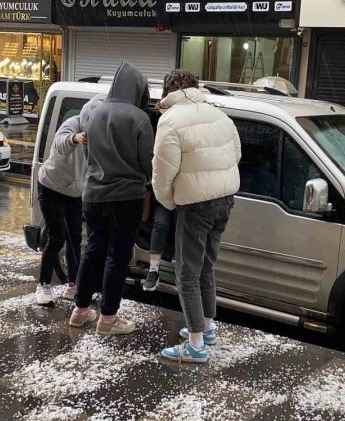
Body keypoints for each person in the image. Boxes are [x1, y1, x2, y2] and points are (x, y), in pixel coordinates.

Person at [152, 70, 241, 363]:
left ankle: (195, 344)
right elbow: (236, 154)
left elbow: (162, 171)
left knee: (186, 272)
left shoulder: (170, 121)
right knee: (206, 267)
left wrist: (169, 201)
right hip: (225, 200)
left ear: (168, 92)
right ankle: (208, 327)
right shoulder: (219, 115)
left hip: (194, 204)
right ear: (195, 87)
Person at [68, 62, 153, 335]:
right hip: (125, 197)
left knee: (93, 250)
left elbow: (89, 156)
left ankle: (80, 311)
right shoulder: (138, 118)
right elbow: (148, 162)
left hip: (93, 195)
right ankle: (108, 318)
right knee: (117, 257)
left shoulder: (95, 113)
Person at [34, 111, 89, 306]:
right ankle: (43, 285)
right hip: (51, 187)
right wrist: (76, 138)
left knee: (75, 238)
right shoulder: (73, 123)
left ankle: (73, 285)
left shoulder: (101, 132)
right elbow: (60, 143)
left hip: (74, 191)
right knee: (56, 237)